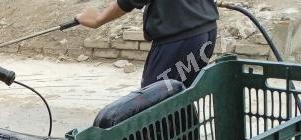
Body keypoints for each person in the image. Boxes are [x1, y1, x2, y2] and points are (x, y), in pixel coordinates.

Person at [76, 0, 219, 88]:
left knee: (154, 102)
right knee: (179, 95)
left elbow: (128, 2)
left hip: (180, 39)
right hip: (206, 33)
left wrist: (98, 19)